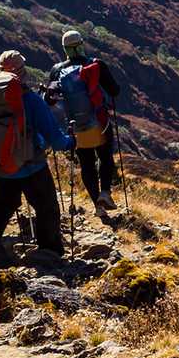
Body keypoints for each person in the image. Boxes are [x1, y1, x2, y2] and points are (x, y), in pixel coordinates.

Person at [0, 49, 75, 264]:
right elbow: (56, 140)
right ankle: (49, 251)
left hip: (1, 164)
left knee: (4, 203)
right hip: (31, 166)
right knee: (46, 207)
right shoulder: (30, 99)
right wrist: (70, 141)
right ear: (22, 71)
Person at [51, 29, 123, 219]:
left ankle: (96, 205)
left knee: (87, 163)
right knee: (105, 157)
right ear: (81, 44)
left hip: (76, 125)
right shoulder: (95, 65)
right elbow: (114, 91)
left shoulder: (57, 70)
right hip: (99, 121)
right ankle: (105, 193)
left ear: (65, 48)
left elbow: (53, 98)